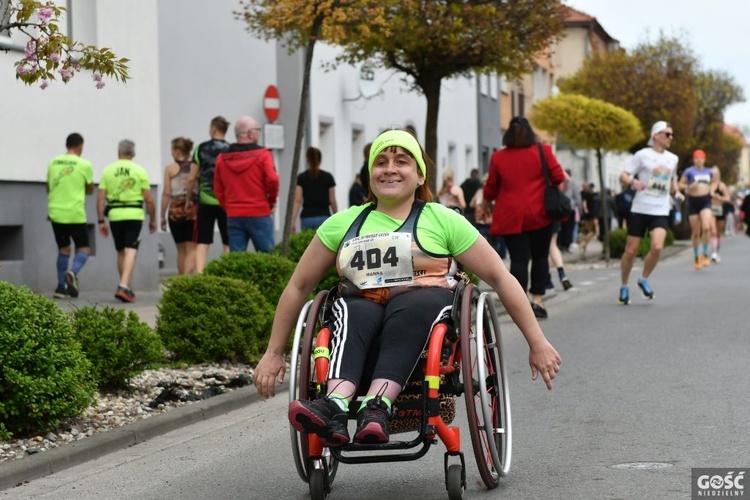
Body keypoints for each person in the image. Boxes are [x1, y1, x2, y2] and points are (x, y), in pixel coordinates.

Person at [253, 129, 561, 447]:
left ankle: (378, 406)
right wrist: (273, 353)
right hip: (362, 306)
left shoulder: (443, 220)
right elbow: (298, 286)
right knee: (347, 307)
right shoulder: (342, 223)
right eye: (381, 161)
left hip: (424, 306)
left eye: (401, 161)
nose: (390, 168)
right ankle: (334, 405)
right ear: (369, 174)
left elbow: (500, 277)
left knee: (412, 306)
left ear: (419, 176)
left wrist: (536, 342)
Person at [482, 116, 567, 319]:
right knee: (540, 257)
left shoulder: (498, 158)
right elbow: (558, 177)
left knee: (519, 260)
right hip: (540, 214)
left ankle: (519, 306)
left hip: (512, 217)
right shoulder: (543, 151)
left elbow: (491, 187)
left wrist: (485, 204)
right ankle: (537, 299)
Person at [618, 121, 681, 304]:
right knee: (630, 250)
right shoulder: (642, 155)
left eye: (671, 134)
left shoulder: (673, 159)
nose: (671, 137)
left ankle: (643, 279)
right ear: (656, 136)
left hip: (660, 209)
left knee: (658, 247)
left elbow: (672, 181)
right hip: (640, 208)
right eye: (667, 134)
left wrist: (676, 192)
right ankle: (624, 285)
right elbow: (624, 174)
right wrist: (632, 183)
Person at [97, 139, 157, 303]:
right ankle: (123, 285)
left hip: (115, 214)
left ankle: (127, 287)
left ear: (118, 153)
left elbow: (101, 197)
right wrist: (153, 219)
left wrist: (101, 220)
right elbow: (149, 199)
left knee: (121, 251)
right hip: (134, 214)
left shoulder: (108, 170)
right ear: (133, 154)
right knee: (131, 249)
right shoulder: (139, 171)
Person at [214, 116, 279, 253]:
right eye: (257, 130)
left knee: (237, 259)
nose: (259, 133)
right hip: (259, 211)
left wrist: (228, 206)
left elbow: (218, 188)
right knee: (268, 258)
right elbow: (273, 179)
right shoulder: (263, 155)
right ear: (250, 133)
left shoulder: (222, 158)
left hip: (234, 214)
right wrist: (271, 200)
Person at [46, 132, 94, 298]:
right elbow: (89, 189)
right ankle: (73, 272)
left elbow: (48, 187)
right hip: (75, 213)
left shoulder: (53, 163)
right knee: (84, 248)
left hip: (56, 212)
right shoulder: (84, 164)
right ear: (80, 146)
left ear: (67, 145)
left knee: (63, 249)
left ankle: (61, 287)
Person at [185, 116, 231, 272]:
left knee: (202, 242)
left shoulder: (201, 148)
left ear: (214, 129)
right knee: (228, 241)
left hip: (205, 200)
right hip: (225, 202)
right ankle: (229, 273)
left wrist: (188, 199)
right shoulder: (231, 149)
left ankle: (200, 276)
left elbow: (191, 178)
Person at [160, 137, 197, 275]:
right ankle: (190, 280)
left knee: (181, 250)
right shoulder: (195, 167)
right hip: (192, 209)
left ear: (177, 150)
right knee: (192, 249)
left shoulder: (170, 169)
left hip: (175, 210)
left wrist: (162, 216)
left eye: (172, 150)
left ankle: (182, 281)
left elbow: (166, 193)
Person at [678, 149, 715, 270]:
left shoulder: (709, 171)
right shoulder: (689, 171)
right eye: (697, 158)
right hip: (693, 202)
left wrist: (712, 190)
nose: (699, 160)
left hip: (705, 201)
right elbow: (680, 185)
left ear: (704, 159)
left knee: (706, 227)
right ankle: (696, 256)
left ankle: (704, 254)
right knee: (695, 232)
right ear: (694, 160)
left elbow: (715, 182)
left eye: (701, 158)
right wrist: (689, 186)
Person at [291, 146, 338, 231]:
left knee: (308, 242)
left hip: (307, 217)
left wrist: (292, 222)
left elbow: (297, 200)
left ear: (307, 160)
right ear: (320, 160)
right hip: (324, 216)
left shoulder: (301, 177)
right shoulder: (328, 177)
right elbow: (332, 200)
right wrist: (337, 218)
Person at [708, 166, 730, 263]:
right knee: (712, 230)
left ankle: (716, 251)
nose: (714, 176)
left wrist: (719, 198)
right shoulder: (707, 185)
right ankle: (713, 252)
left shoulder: (722, 186)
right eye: (713, 174)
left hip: (720, 210)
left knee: (717, 232)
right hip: (710, 210)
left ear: (719, 175)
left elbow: (727, 198)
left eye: (716, 174)